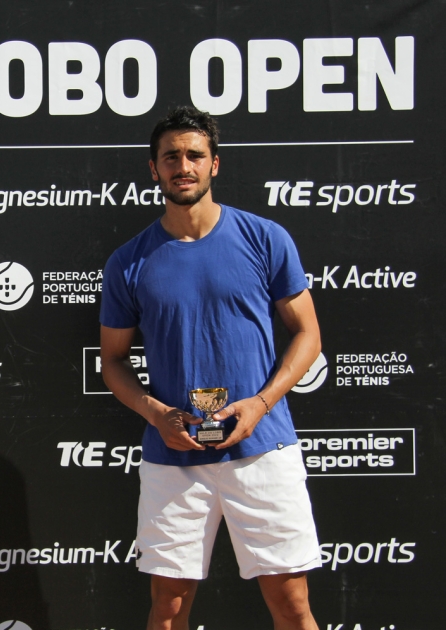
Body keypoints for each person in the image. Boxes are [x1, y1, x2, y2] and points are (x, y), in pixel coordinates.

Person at [99, 106, 321, 629]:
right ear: (153, 169)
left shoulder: (265, 238)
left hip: (263, 450)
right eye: (170, 157)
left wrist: (261, 404)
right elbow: (111, 362)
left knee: (292, 607)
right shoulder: (128, 261)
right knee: (168, 611)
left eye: (194, 155)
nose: (183, 166)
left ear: (214, 164)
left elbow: (308, 334)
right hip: (173, 458)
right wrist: (157, 415)